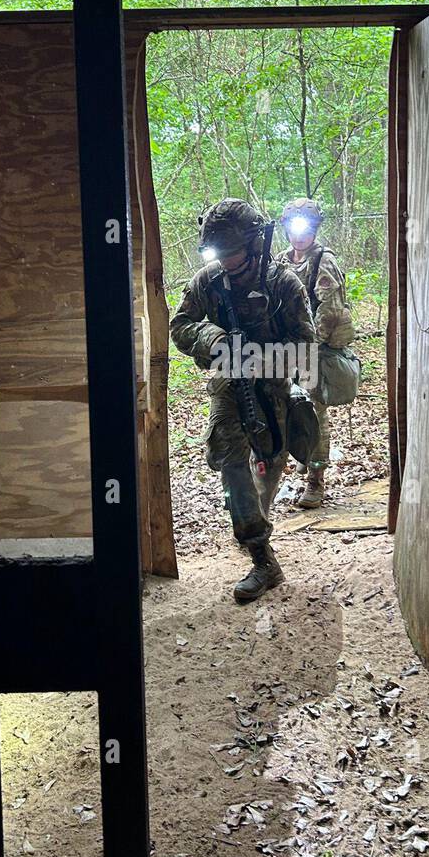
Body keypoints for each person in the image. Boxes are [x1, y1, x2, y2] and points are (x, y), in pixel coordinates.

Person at [169, 198, 317, 602]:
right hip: (228, 387)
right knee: (232, 463)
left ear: (253, 244)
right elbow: (179, 326)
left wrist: (259, 358)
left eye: (232, 252)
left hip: (273, 389)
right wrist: (212, 338)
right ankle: (261, 556)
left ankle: (256, 519)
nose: (226, 261)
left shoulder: (283, 283)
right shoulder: (208, 281)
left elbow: (306, 346)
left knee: (270, 463)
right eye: (219, 253)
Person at [277, 197, 355, 508]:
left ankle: (316, 480)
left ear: (314, 228)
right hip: (286, 349)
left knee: (315, 412)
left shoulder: (324, 261)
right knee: (287, 408)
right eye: (294, 228)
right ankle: (301, 456)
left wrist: (307, 347)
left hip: (314, 350)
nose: (299, 235)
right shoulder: (282, 260)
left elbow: (330, 311)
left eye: (305, 228)